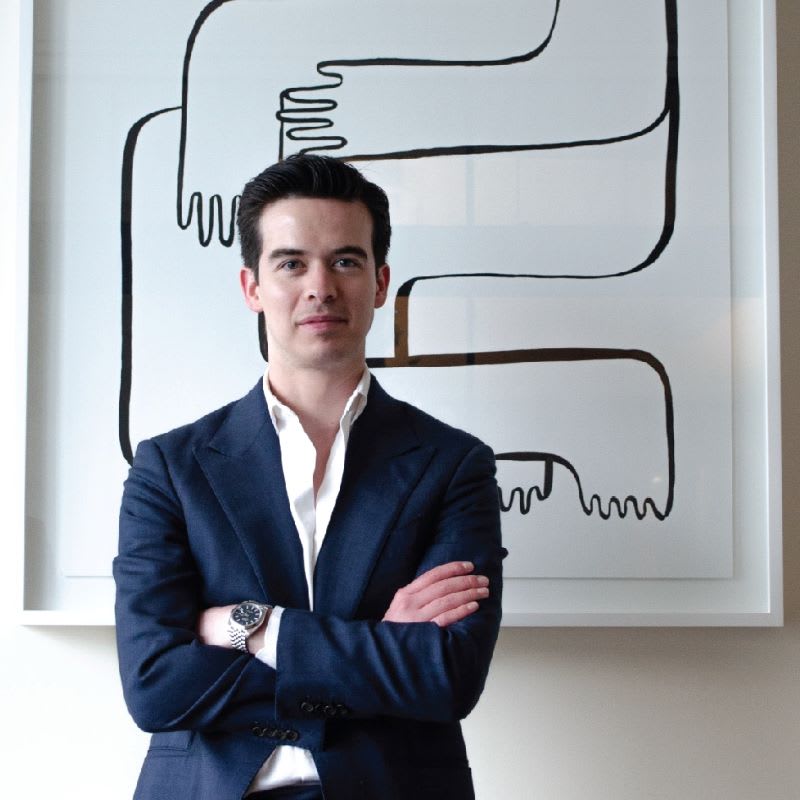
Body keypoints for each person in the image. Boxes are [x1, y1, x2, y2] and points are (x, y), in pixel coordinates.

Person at [114, 154, 504, 800]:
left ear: (380, 283)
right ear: (252, 287)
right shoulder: (171, 468)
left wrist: (255, 627)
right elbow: (156, 686)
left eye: (345, 261)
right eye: (291, 263)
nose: (320, 287)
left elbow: (448, 676)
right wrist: (377, 648)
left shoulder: (452, 464)